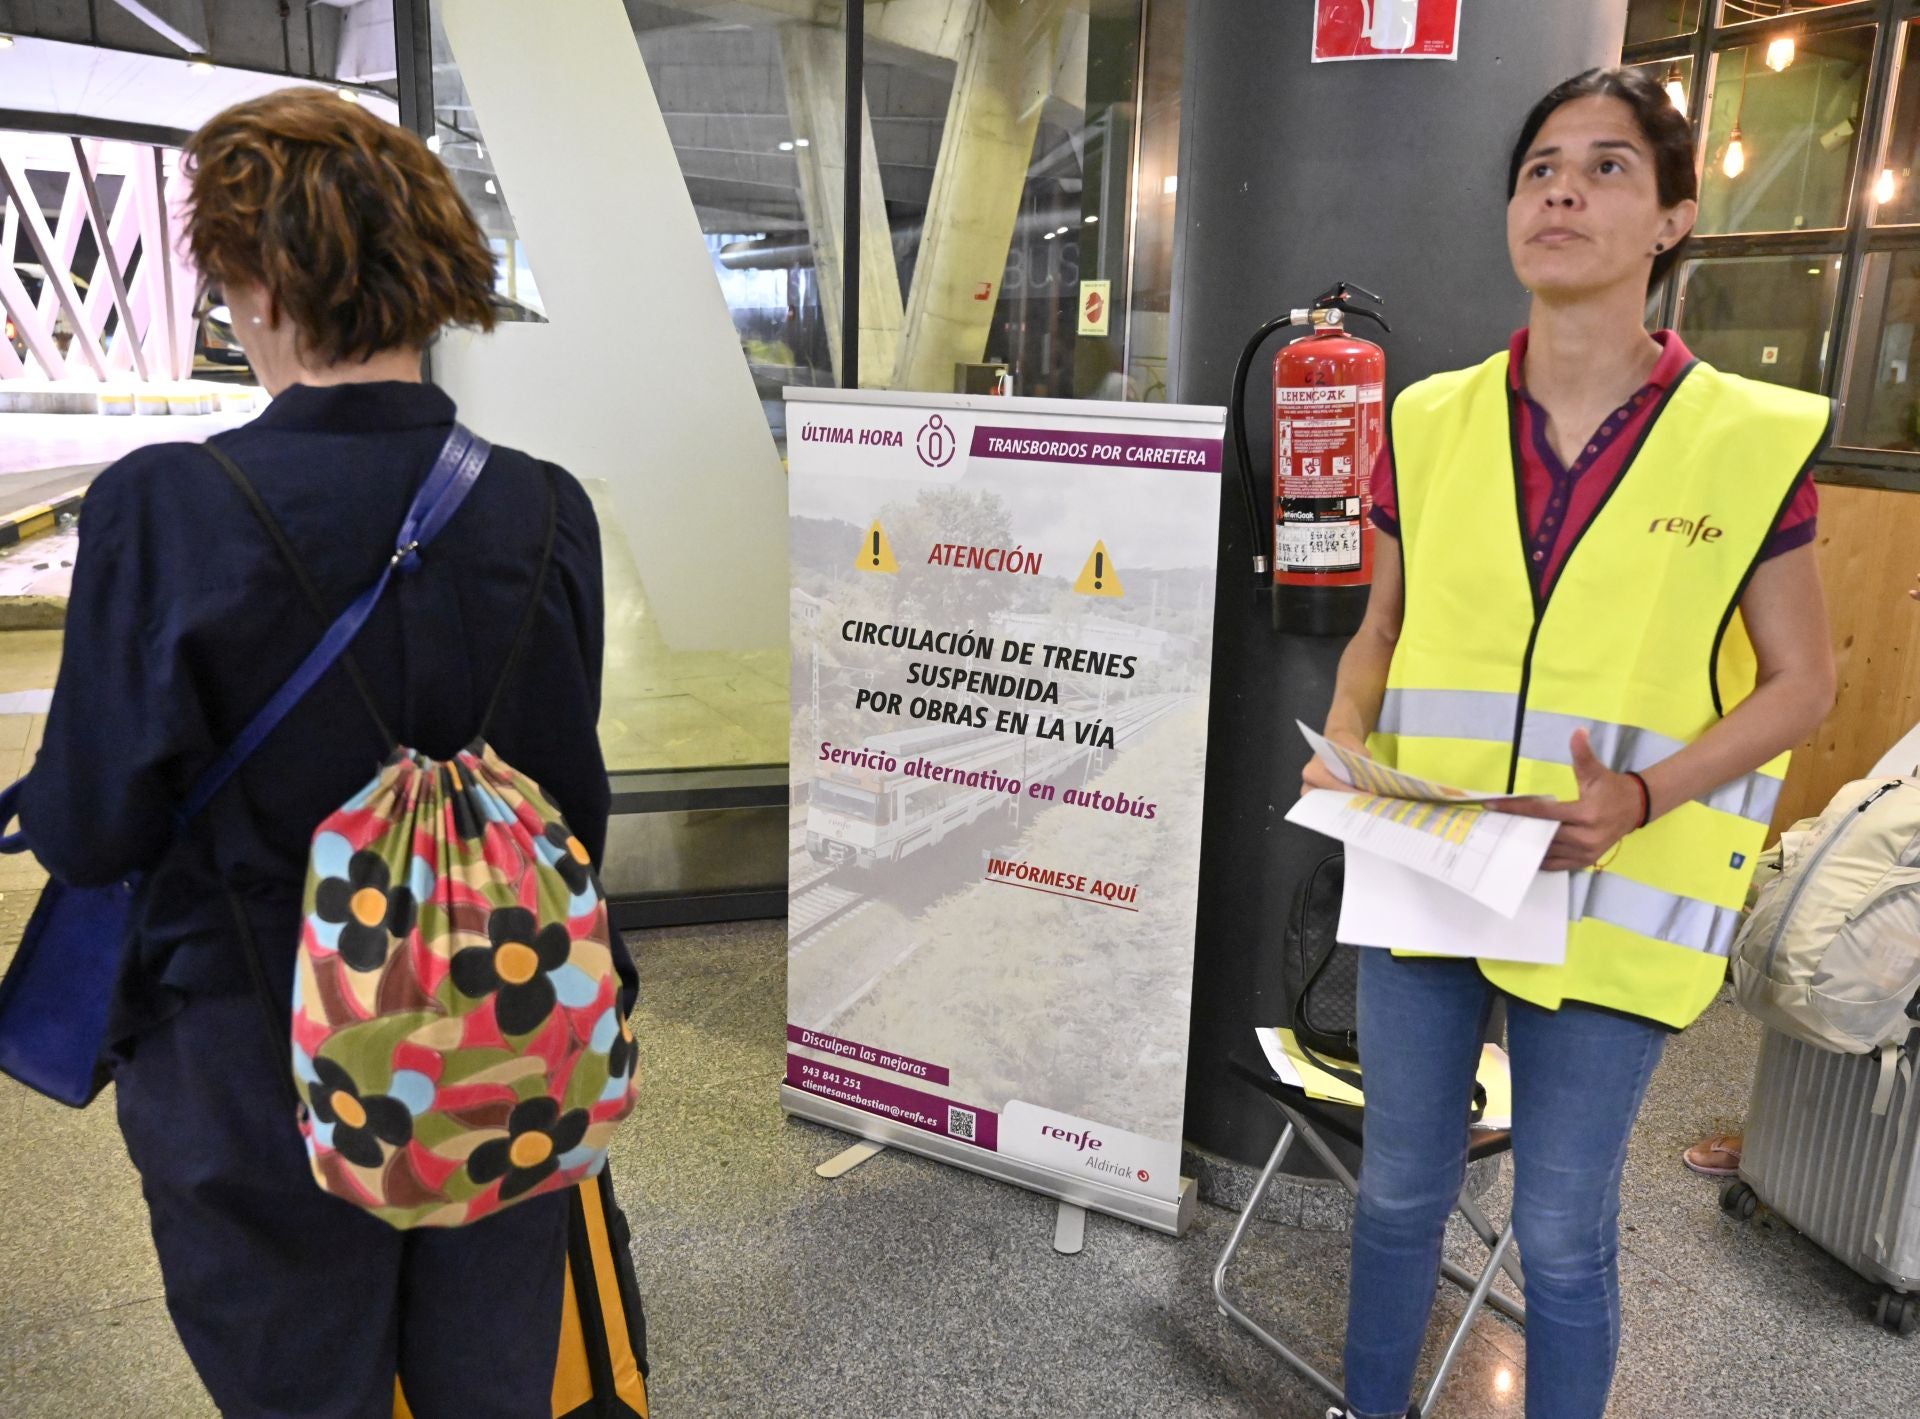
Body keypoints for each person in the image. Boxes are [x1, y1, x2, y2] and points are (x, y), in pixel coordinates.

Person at [18, 88, 629, 1418]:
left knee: (300, 1383)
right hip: (503, 1022)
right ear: (430, 275)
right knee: (490, 1378)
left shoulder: (165, 506)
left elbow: (95, 828)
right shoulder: (541, 505)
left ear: (257, 284)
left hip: (254, 1058)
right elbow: (569, 802)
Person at [1308, 68, 1837, 1419]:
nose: (1562, 189)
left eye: (1608, 167)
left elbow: (1803, 684)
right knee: (1399, 1197)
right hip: (1431, 854)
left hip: (1613, 886)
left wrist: (1647, 793)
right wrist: (1346, 744)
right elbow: (1378, 635)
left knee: (1558, 1234)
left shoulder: (1748, 440)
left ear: (1671, 218)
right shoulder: (1423, 423)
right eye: (1542, 165)